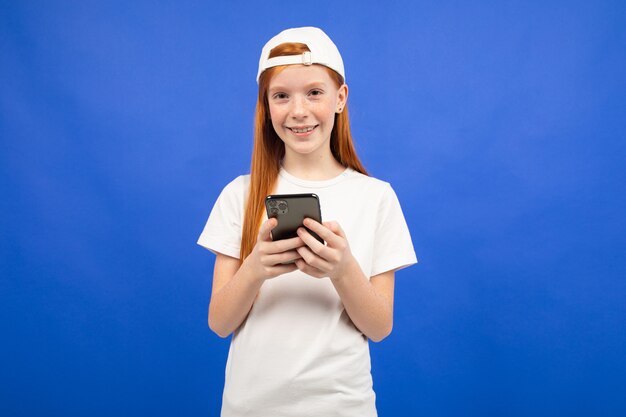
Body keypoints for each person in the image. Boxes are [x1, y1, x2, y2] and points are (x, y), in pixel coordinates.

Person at [198, 27, 417, 417]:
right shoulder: (240, 195)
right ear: (266, 106)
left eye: (314, 92)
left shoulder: (376, 197)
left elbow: (380, 327)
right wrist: (255, 269)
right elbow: (219, 322)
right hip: (249, 408)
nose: (298, 111)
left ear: (340, 98)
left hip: (343, 407)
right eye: (281, 96)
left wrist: (343, 269)